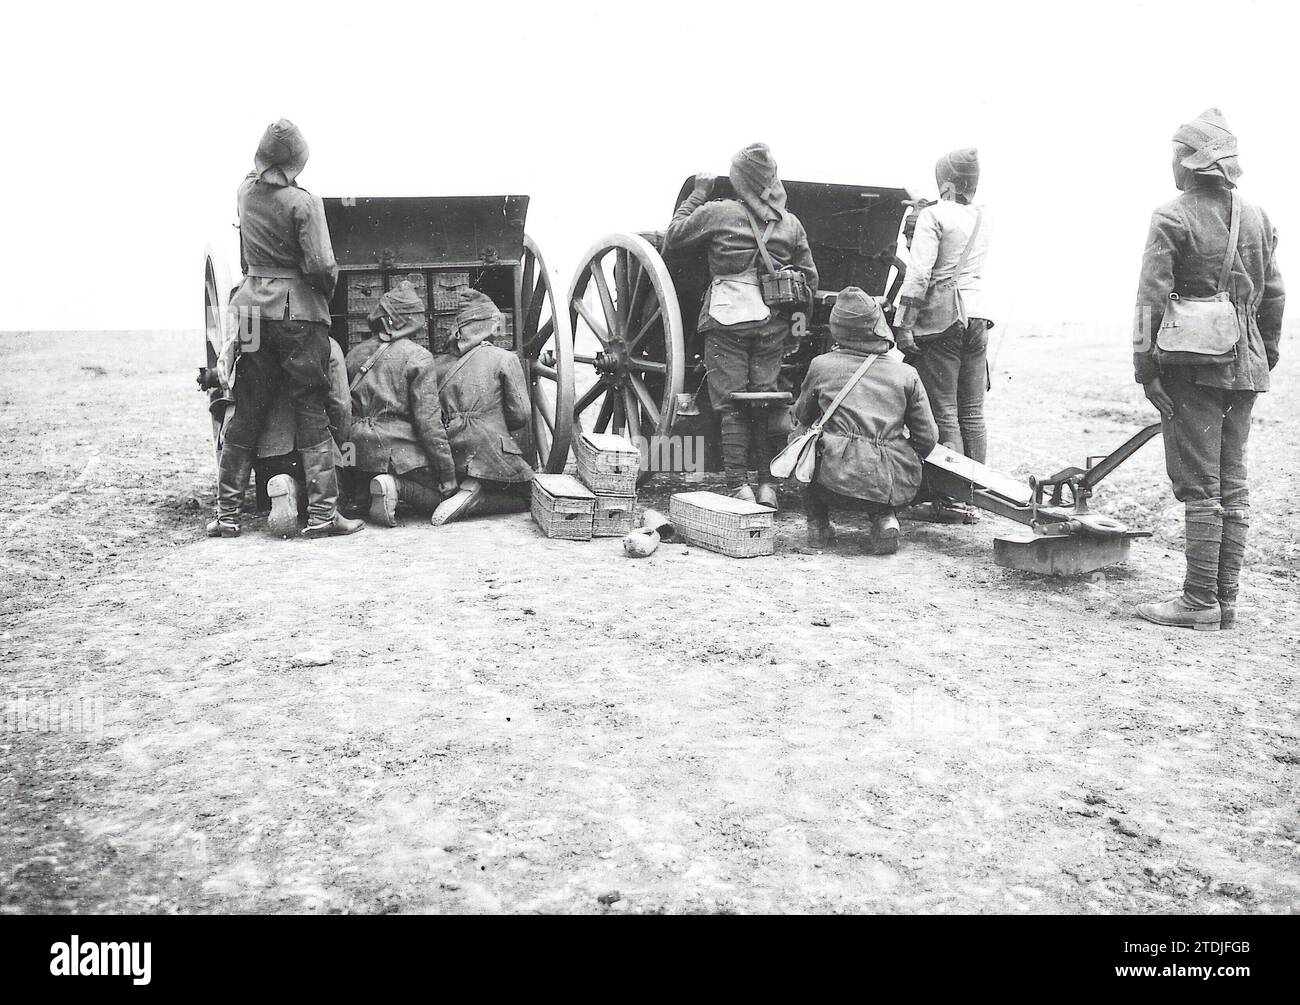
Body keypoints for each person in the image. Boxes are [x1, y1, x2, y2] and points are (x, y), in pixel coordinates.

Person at [1133, 109, 1285, 632]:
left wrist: (1144, 368)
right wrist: (1266, 353)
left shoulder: (1171, 217)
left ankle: (1199, 602)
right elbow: (1276, 297)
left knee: (1201, 485)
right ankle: (1225, 600)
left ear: (1188, 162)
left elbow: (1150, 300)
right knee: (1232, 483)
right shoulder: (1260, 217)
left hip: (1190, 369)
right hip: (1247, 365)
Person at [207, 118, 362, 538]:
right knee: (312, 407)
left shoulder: (244, 193)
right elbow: (322, 266)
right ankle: (324, 516)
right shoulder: (304, 203)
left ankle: (226, 515)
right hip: (298, 318)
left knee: (248, 407)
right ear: (297, 161)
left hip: (253, 317)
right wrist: (320, 294)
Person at [663, 142, 819, 509]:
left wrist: (697, 194)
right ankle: (767, 485)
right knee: (762, 399)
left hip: (726, 317)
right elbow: (809, 281)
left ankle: (738, 485)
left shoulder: (719, 213)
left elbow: (673, 238)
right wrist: (795, 331)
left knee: (731, 402)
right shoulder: (791, 224)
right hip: (772, 325)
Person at [791, 288, 938, 552]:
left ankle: (818, 523)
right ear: (878, 325)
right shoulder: (906, 373)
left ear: (837, 327)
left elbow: (802, 415)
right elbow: (928, 437)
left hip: (831, 481)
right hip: (886, 482)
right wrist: (900, 456)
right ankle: (885, 518)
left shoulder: (821, 365)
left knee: (800, 436)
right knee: (888, 460)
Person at [896, 148, 992, 524]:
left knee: (945, 412)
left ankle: (951, 498)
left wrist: (905, 324)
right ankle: (974, 495)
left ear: (947, 183)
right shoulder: (982, 216)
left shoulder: (934, 215)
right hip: (979, 316)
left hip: (943, 318)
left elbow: (919, 274)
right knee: (972, 411)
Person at [345, 281, 458, 526]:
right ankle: (393, 486)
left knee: (363, 487)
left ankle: (365, 494)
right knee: (443, 497)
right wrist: (448, 474)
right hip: (395, 450)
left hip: (355, 451)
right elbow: (428, 422)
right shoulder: (418, 356)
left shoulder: (354, 354)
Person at [429, 290, 535, 525]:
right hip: (489, 450)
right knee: (529, 495)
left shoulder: (436, 364)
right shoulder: (503, 358)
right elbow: (521, 414)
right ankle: (477, 499)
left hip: (451, 453)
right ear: (491, 325)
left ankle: (463, 490)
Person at [255, 335, 352, 538]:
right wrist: (341, 447)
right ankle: (296, 490)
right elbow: (341, 404)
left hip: (271, 455)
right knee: (336, 497)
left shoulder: (260, 344)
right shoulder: (329, 345)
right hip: (316, 451)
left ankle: (285, 485)